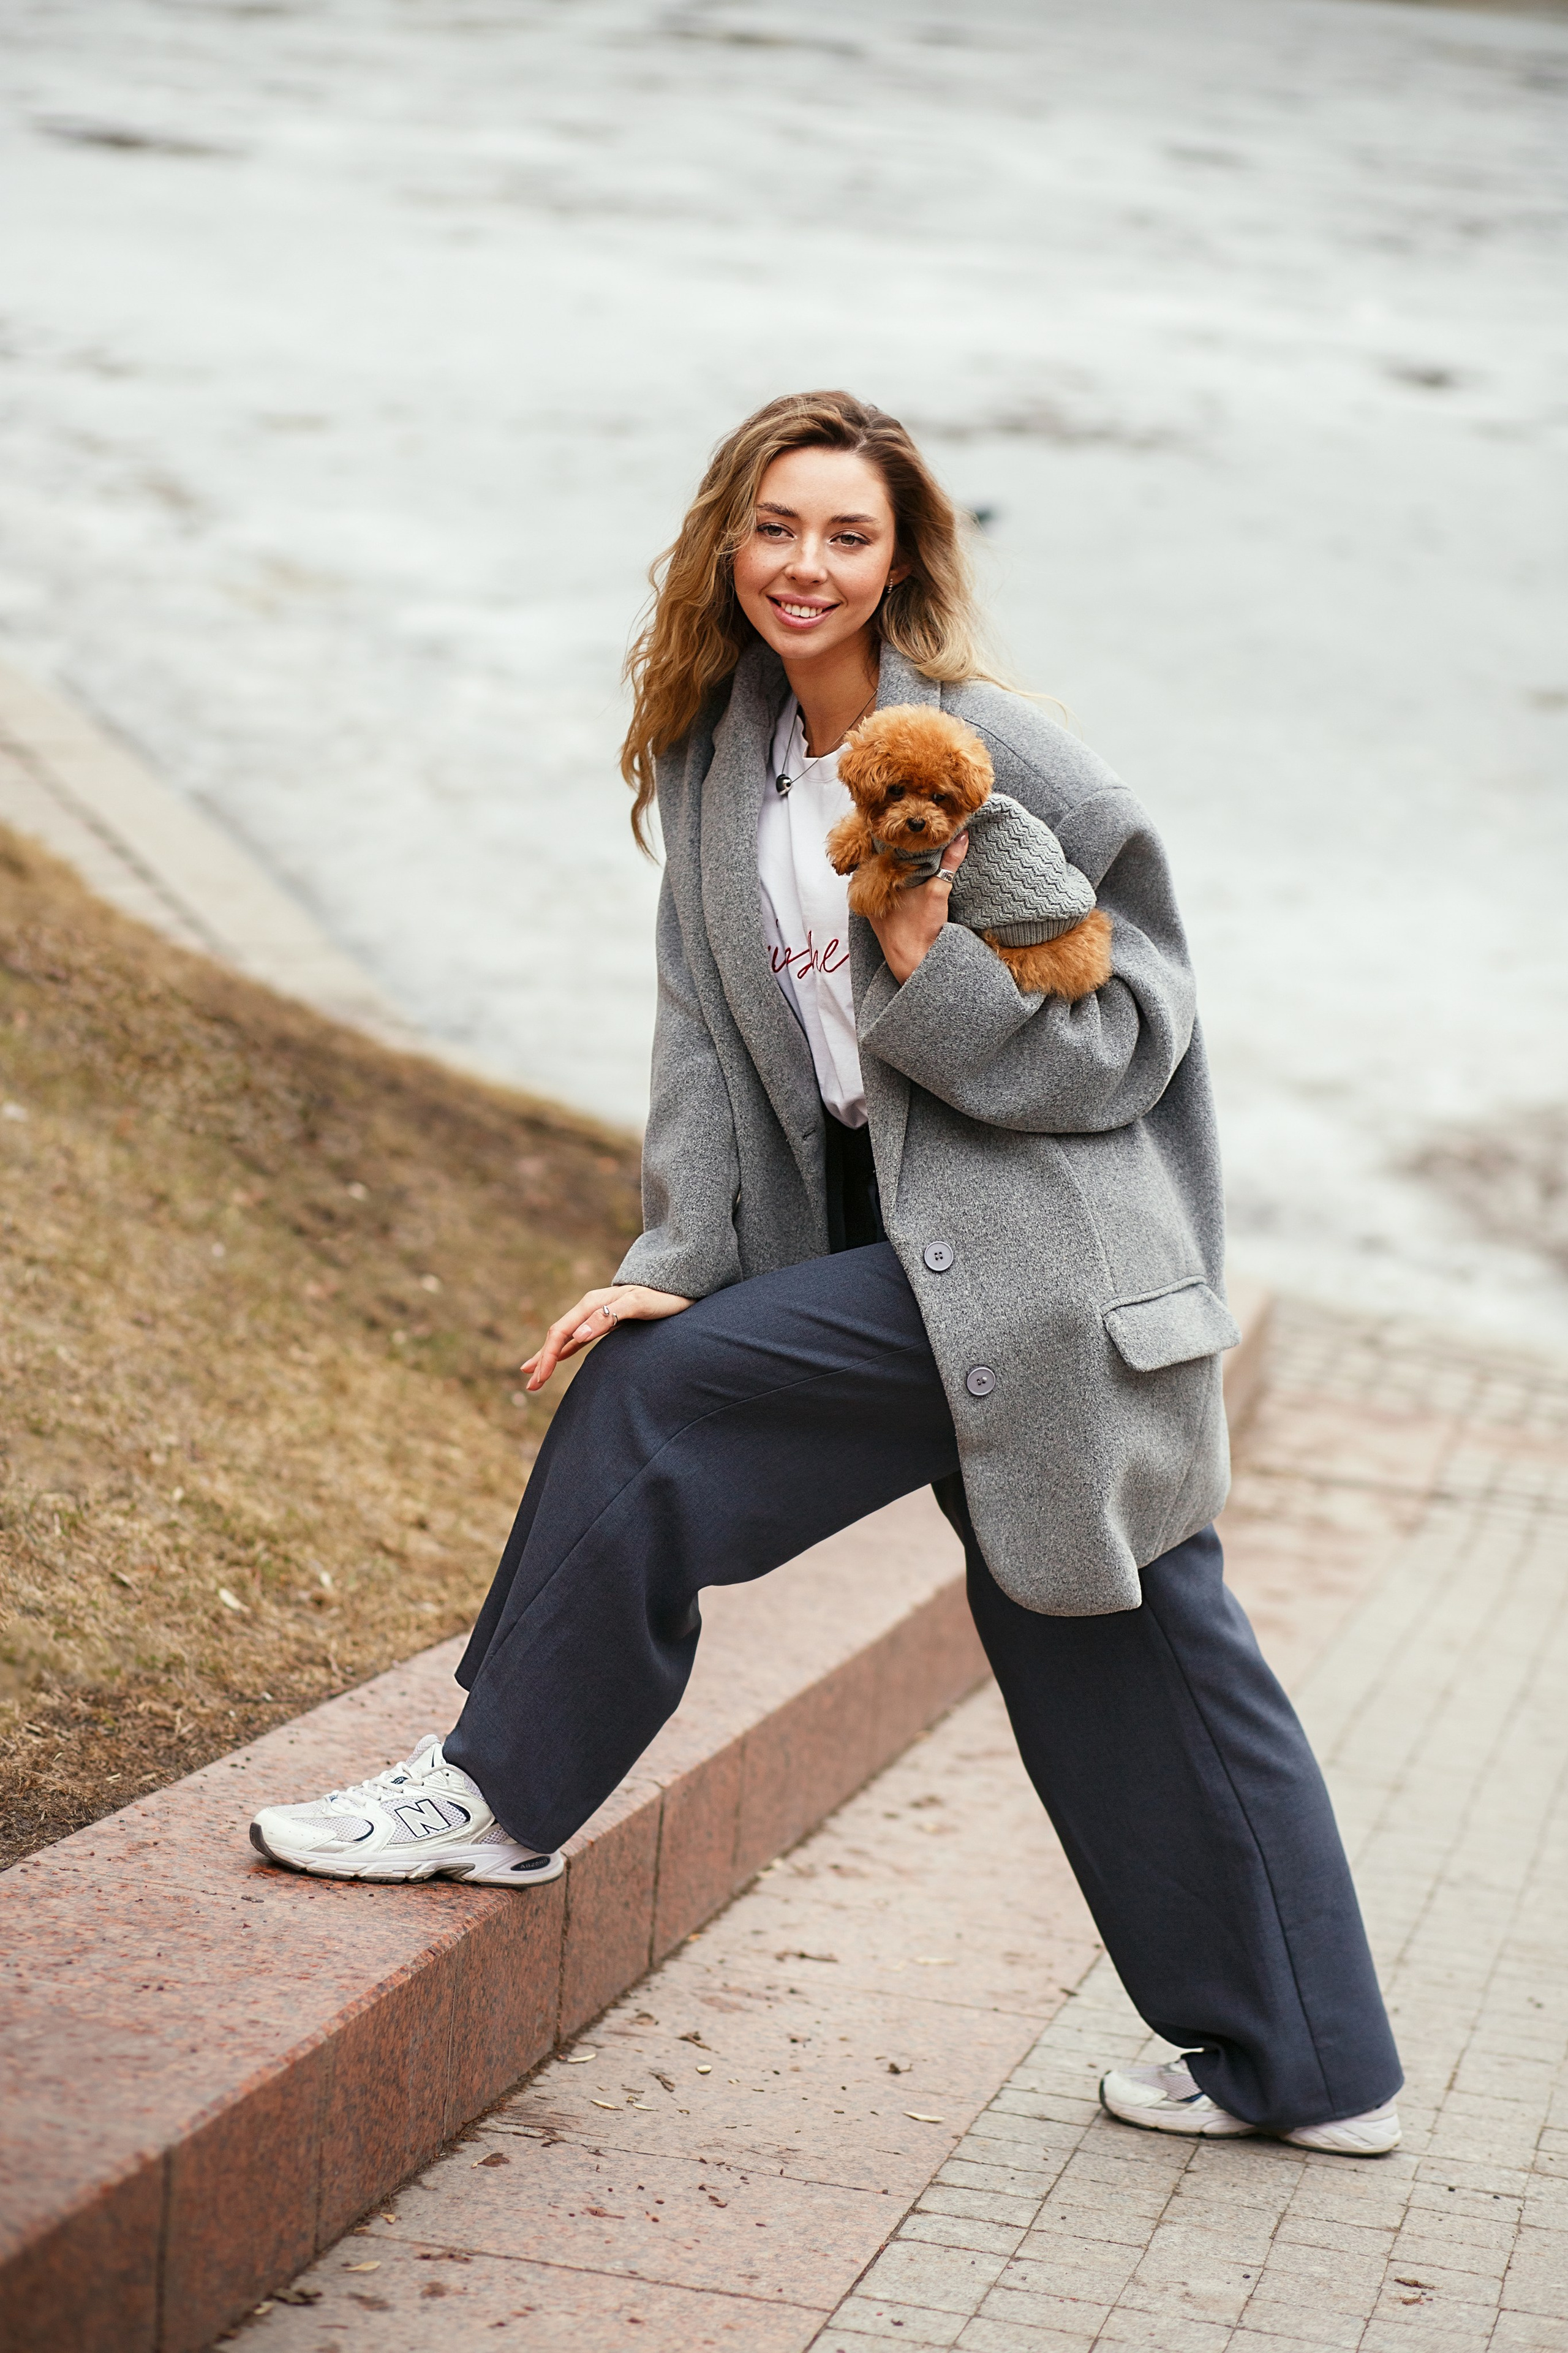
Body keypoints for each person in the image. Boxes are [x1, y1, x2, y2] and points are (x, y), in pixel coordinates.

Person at [251, 391, 1403, 2156]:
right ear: (729, 540)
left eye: (847, 534)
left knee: (740, 1449)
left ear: (902, 559)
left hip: (1048, 1263)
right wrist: (676, 1257)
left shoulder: (1004, 754)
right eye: (779, 527)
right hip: (891, 1245)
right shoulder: (722, 761)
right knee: (1122, 1637)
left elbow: (1134, 1034)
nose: (808, 564)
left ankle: (494, 1791)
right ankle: (1314, 2068)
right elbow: (705, 1049)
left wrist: (932, 968)